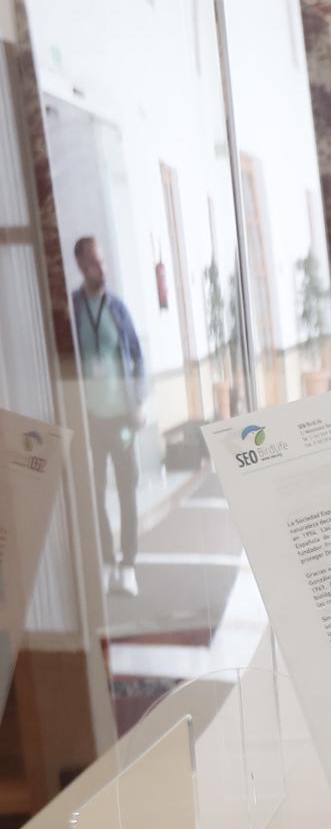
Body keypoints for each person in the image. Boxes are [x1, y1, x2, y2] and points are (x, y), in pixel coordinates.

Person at [71, 236, 146, 598]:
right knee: (95, 492)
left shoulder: (117, 309)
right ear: (80, 265)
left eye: (102, 262)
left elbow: (137, 356)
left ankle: (128, 566)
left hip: (121, 419)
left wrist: (138, 404)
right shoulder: (73, 310)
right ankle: (107, 560)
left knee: (127, 488)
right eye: (94, 263)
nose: (101, 268)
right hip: (90, 420)